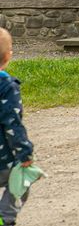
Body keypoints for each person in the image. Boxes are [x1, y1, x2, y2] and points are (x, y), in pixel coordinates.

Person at [0, 28, 35, 226]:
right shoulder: (6, 87)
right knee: (19, 182)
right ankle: (5, 217)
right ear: (8, 56)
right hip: (3, 158)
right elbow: (12, 123)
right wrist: (25, 152)